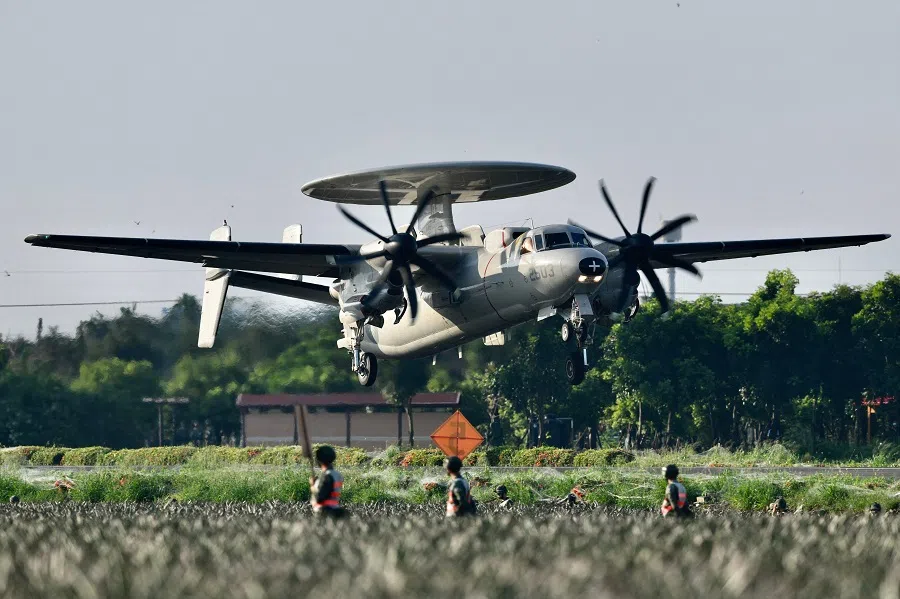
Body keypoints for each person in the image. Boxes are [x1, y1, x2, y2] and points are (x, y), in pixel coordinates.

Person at [309, 445, 345, 518]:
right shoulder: (336, 474)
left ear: (319, 461)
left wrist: (313, 486)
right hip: (334, 510)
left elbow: (319, 498)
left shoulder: (326, 476)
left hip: (325, 513)